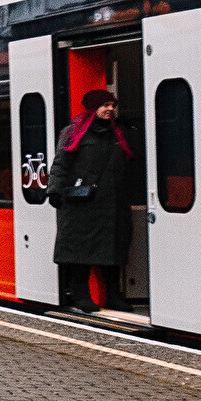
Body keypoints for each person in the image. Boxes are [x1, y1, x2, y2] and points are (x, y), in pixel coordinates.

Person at [52, 86, 136, 311]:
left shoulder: (119, 132)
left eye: (112, 105)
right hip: (82, 202)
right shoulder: (74, 132)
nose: (110, 109)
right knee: (81, 249)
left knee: (113, 249)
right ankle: (80, 293)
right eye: (105, 105)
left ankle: (113, 295)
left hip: (113, 201)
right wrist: (54, 190)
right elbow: (61, 163)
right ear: (93, 108)